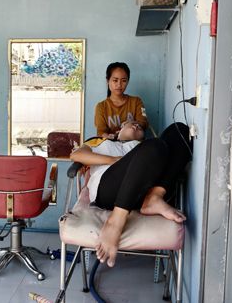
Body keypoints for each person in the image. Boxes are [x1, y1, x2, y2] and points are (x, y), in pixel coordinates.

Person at [70, 121, 192, 267]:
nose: (136, 125)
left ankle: (154, 197)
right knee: (154, 147)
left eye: (140, 126)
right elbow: (77, 154)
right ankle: (115, 222)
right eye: (132, 123)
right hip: (109, 189)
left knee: (179, 129)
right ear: (119, 129)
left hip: (145, 189)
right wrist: (115, 160)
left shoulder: (143, 145)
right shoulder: (101, 142)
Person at [94, 62, 149, 139]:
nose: (119, 85)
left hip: (134, 146)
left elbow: (144, 123)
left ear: (128, 81)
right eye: (115, 80)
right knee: (81, 150)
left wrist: (131, 124)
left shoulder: (136, 101)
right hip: (111, 145)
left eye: (123, 81)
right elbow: (101, 132)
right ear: (107, 80)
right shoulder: (101, 107)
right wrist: (111, 137)